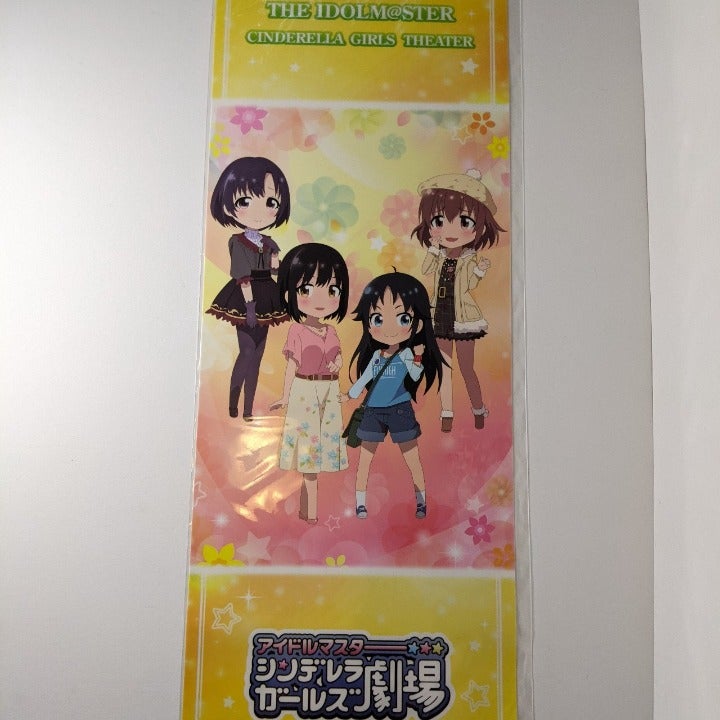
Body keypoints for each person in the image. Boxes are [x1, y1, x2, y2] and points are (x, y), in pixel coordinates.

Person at [412, 169, 504, 432]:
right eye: (439, 220)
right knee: (444, 367)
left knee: (467, 368)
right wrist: (433, 248)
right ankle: (447, 413)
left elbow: (469, 285)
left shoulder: (468, 258)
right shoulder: (439, 256)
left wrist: (480, 271)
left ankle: (478, 408)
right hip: (439, 314)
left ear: (479, 227)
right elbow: (426, 270)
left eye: (464, 221)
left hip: (464, 318)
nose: (450, 231)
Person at [347, 272, 444, 519]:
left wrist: (418, 355)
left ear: (417, 324)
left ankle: (421, 501)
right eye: (378, 318)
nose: (389, 329)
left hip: (400, 410)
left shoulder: (406, 354)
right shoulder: (376, 356)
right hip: (373, 411)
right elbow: (364, 380)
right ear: (369, 323)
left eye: (402, 318)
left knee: (412, 458)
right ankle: (360, 503)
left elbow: (416, 374)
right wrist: (348, 395)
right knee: (365, 460)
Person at [270, 243, 350, 524]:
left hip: (329, 391)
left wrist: (338, 363)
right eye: (307, 289)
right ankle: (310, 512)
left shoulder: (332, 330)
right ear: (291, 292)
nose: (321, 299)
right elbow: (291, 365)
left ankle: (309, 511)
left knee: (321, 452)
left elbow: (338, 355)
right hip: (305, 392)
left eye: (332, 290)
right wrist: (285, 396)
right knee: (309, 456)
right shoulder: (297, 330)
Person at [206, 156, 291, 420]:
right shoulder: (237, 241)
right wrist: (250, 307)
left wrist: (276, 259)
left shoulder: (268, 241)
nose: (258, 212)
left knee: (258, 356)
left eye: (271, 202)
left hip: (267, 292)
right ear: (229, 206)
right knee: (246, 352)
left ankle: (247, 409)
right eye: (244, 201)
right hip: (245, 296)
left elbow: (274, 270)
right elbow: (241, 274)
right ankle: (233, 404)